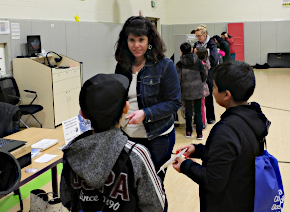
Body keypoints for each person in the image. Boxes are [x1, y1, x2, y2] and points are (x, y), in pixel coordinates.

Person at [172, 61, 270, 212]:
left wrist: (185, 165)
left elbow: (213, 181)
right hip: (244, 197)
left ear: (227, 95)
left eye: (215, 87)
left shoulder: (226, 130)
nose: (212, 90)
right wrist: (197, 150)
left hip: (227, 204)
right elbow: (231, 156)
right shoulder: (252, 116)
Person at [60, 74, 166, 212]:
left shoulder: (71, 151)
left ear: (83, 114)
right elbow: (156, 206)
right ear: (126, 108)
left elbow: (66, 198)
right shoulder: (136, 154)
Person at [114, 16, 181, 183]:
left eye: (141, 40)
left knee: (154, 185)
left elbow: (174, 102)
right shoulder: (122, 65)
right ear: (126, 41)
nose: (136, 45)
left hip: (157, 136)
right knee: (131, 187)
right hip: (127, 135)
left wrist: (145, 113)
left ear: (149, 40)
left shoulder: (165, 65)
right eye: (132, 40)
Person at [176, 42, 206, 139]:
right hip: (197, 89)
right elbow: (204, 75)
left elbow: (178, 78)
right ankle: (199, 133)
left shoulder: (179, 64)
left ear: (181, 52)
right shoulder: (197, 61)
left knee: (188, 111)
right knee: (198, 111)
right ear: (192, 50)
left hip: (186, 90)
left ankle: (188, 131)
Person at [193, 24, 218, 124]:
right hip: (197, 74)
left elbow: (214, 60)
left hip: (208, 74)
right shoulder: (196, 44)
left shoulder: (211, 44)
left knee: (208, 96)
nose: (198, 38)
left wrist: (200, 54)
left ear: (205, 34)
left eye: (199, 36)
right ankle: (199, 118)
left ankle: (210, 117)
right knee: (198, 98)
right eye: (197, 36)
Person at [195, 47, 210, 130]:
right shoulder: (206, 61)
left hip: (200, 87)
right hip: (203, 87)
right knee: (201, 106)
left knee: (200, 106)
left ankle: (203, 123)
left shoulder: (201, 64)